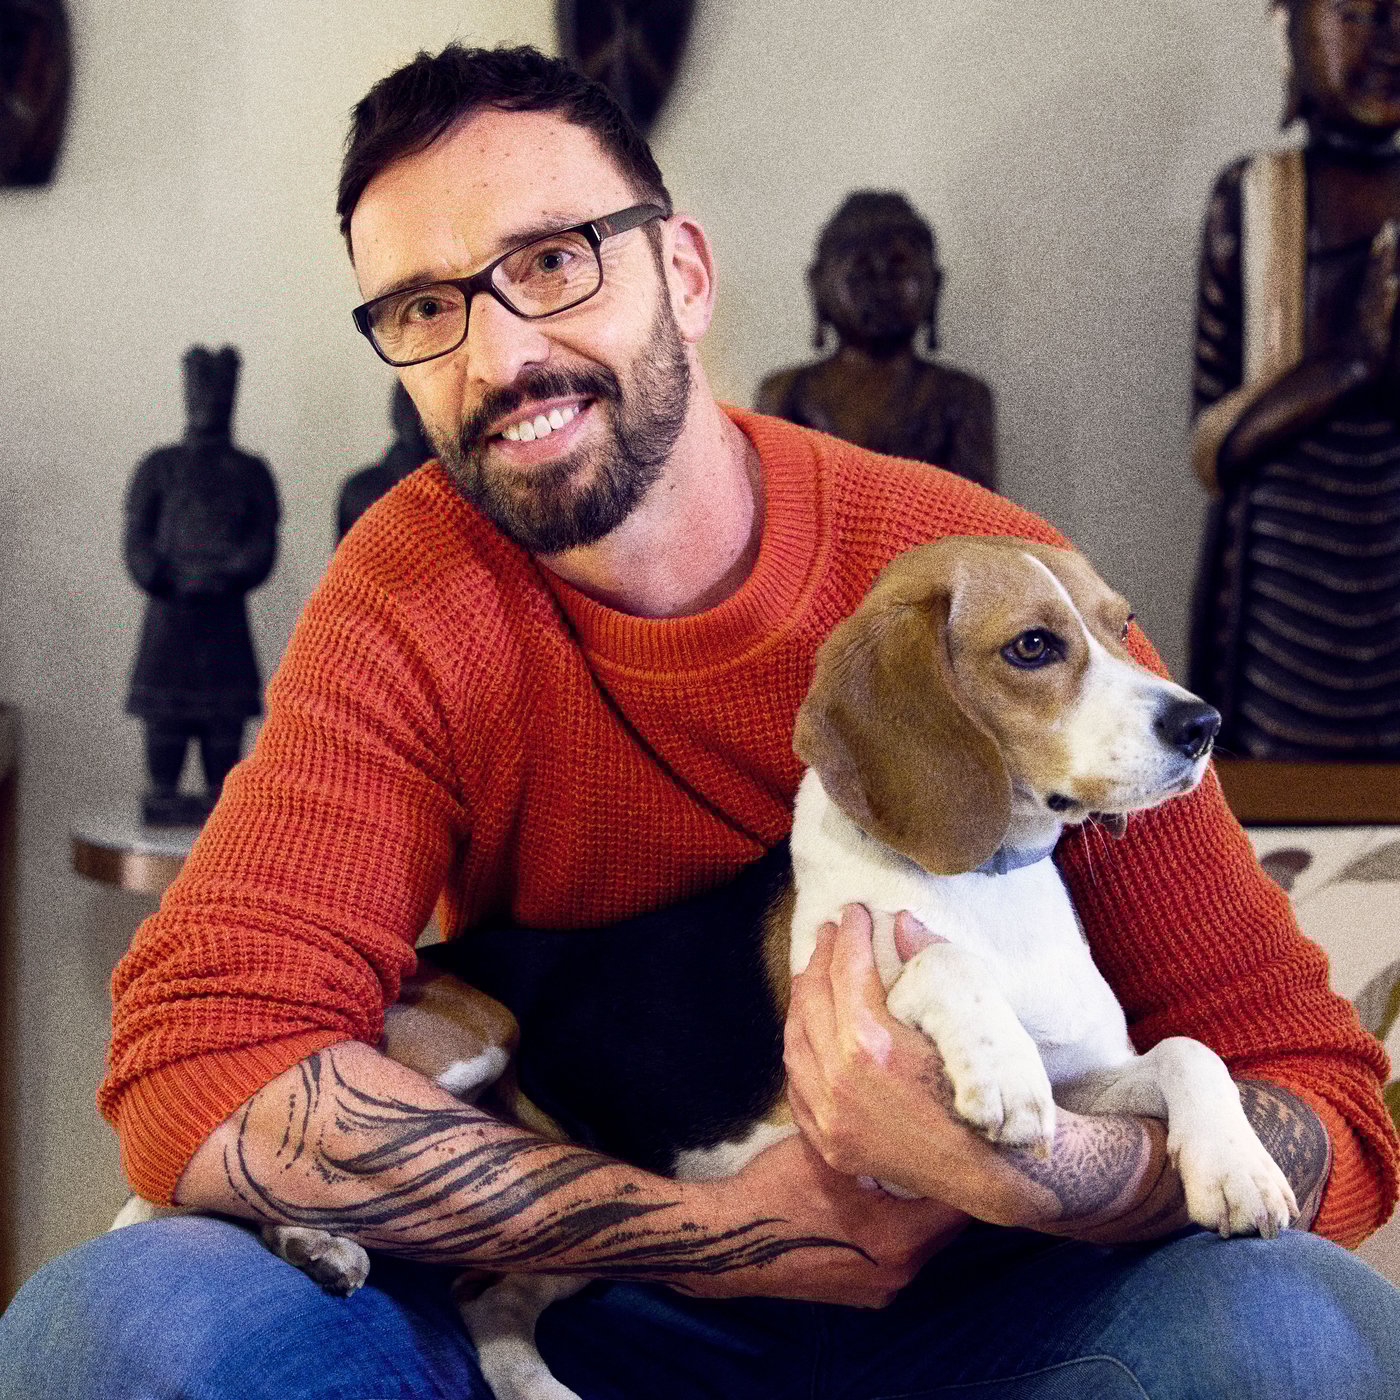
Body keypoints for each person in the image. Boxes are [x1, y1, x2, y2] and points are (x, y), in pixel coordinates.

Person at [2, 42, 1398, 1400]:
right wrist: (727, 1233)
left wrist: (1061, 1174)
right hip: (597, 1307)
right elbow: (197, 1062)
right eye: (425, 307)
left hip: (994, 1317)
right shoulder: (409, 593)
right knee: (124, 1324)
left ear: (683, 271)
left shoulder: (984, 590)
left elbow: (1326, 1100)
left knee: (1297, 1326)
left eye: (554, 261)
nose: (501, 351)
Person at [1188, 0, 1400, 758]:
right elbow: (1214, 445)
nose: (1389, 42)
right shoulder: (1251, 197)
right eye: (1357, 14)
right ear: (1290, 32)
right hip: (1282, 584)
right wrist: (1354, 363)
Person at [757, 191, 997, 490]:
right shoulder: (786, 394)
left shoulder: (960, 397)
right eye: (861, 273)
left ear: (934, 285)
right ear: (818, 285)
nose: (881, 289)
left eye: (899, 271)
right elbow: (778, 503)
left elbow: (977, 513)